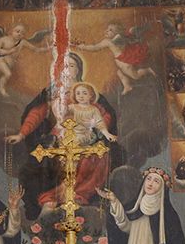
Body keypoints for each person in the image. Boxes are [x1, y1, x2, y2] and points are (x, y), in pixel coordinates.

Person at [6, 52, 120, 219]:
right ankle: (51, 201)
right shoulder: (52, 92)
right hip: (59, 138)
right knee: (41, 164)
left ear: (78, 70)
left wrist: (96, 131)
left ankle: (79, 195)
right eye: (64, 66)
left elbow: (104, 115)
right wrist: (22, 134)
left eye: (71, 66)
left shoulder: (87, 92)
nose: (67, 69)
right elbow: (37, 114)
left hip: (86, 138)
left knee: (100, 157)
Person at [0, 23, 51, 98]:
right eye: (17, 31)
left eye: (22, 33)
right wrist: (8, 51)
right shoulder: (3, 39)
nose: (19, 34)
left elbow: (36, 49)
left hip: (10, 63)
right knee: (8, 74)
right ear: (11, 31)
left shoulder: (22, 42)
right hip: (0, 60)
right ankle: (2, 89)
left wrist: (49, 48)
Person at [77, 22, 155, 95]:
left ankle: (147, 70)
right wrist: (84, 47)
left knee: (135, 76)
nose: (107, 31)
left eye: (111, 30)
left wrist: (83, 47)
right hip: (120, 60)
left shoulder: (115, 40)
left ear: (117, 33)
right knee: (119, 72)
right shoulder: (107, 41)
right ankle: (127, 86)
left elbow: (95, 48)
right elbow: (95, 47)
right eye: (107, 29)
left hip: (124, 60)